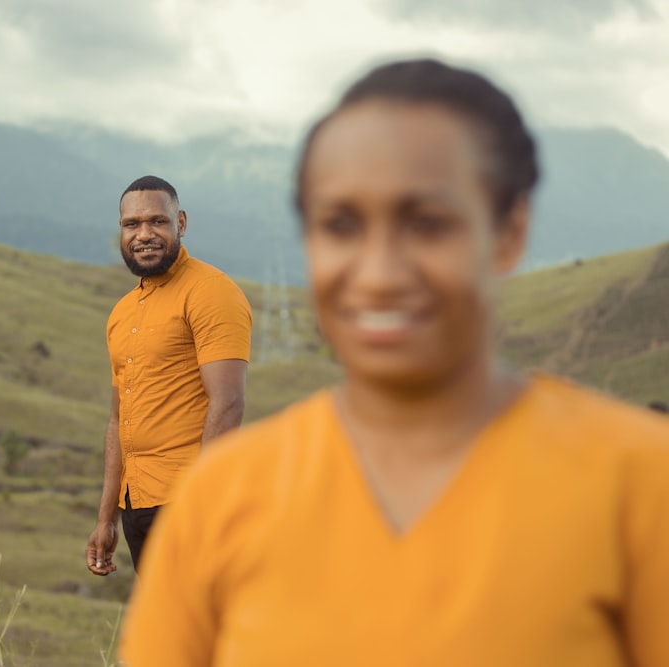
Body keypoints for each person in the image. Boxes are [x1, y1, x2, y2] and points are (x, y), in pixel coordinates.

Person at [119, 60, 669, 666]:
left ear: (510, 233)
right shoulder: (221, 500)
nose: (378, 272)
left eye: (428, 223)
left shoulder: (639, 483)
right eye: (341, 224)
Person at [85, 175, 252, 576]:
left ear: (181, 222)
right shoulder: (122, 313)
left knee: (203, 631)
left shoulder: (210, 292)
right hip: (136, 506)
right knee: (169, 633)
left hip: (187, 502)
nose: (144, 234)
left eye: (157, 222)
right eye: (132, 225)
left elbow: (227, 403)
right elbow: (118, 420)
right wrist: (106, 519)